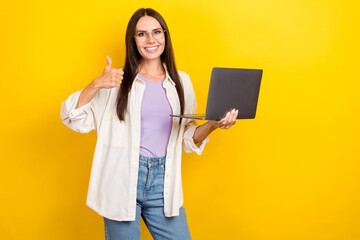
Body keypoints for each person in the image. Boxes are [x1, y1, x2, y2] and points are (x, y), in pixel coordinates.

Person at [60, 7, 238, 240]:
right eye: (142, 34)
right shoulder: (116, 81)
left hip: (164, 183)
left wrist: (213, 124)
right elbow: (72, 117)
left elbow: (187, 136)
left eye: (156, 32)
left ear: (165, 36)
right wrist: (96, 84)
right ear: (133, 41)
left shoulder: (181, 82)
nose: (151, 39)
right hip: (122, 180)